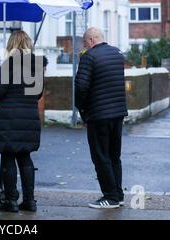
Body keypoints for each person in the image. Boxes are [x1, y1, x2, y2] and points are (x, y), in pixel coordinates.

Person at [0, 31, 44, 213]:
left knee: (8, 157)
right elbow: (37, 94)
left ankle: (10, 201)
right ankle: (30, 201)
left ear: (11, 44)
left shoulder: (8, 64)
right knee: (25, 157)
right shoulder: (36, 65)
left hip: (9, 119)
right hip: (29, 118)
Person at [75, 27, 128, 209]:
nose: (84, 46)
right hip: (118, 113)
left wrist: (82, 109)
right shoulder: (117, 54)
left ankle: (110, 197)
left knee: (101, 156)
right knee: (114, 155)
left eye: (84, 43)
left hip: (98, 114)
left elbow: (81, 87)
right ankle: (118, 194)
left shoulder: (89, 57)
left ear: (90, 40)